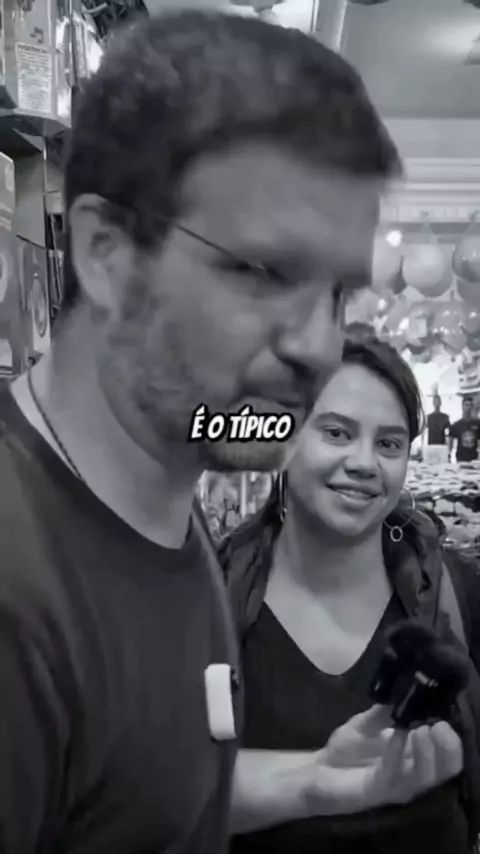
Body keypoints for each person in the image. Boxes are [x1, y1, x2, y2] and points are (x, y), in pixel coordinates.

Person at [0, 9, 401, 854]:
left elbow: (130, 794)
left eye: (338, 294)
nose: (318, 346)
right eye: (264, 271)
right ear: (107, 254)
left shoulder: (165, 499)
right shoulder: (19, 592)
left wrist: (307, 781)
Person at [220, 338, 480, 854]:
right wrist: (308, 784)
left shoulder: (456, 595)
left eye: (389, 444)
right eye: (337, 432)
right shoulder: (209, 597)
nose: (364, 462)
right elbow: (143, 797)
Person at [449, 395, 480, 463]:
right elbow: (450, 443)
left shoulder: (478, 424)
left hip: (474, 459)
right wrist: (449, 455)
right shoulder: (456, 425)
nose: (468, 408)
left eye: (470, 405)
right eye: (466, 405)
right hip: (460, 459)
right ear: (462, 406)